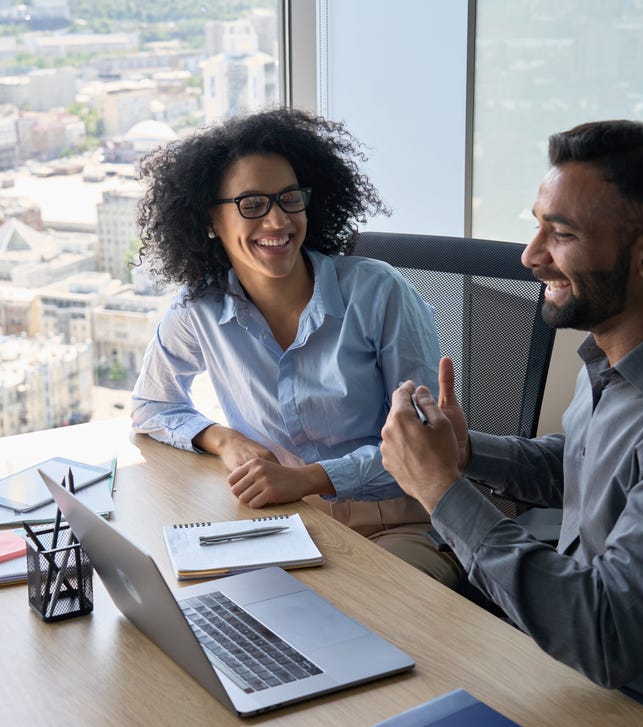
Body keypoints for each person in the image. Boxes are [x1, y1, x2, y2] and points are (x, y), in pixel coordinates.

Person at [380, 120, 643, 707]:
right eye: (537, 227)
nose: (530, 256)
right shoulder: (623, 351)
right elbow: (585, 464)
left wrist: (441, 491)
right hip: (560, 663)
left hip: (641, 704)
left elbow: (607, 635)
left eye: (560, 234)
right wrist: (464, 454)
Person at [130, 107, 461, 586]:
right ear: (209, 221)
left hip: (398, 524)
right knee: (213, 607)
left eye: (289, 199)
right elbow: (152, 406)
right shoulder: (199, 308)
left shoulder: (378, 293)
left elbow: (428, 450)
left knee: (357, 617)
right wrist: (224, 439)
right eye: (252, 204)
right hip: (284, 524)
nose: (278, 220)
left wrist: (310, 479)